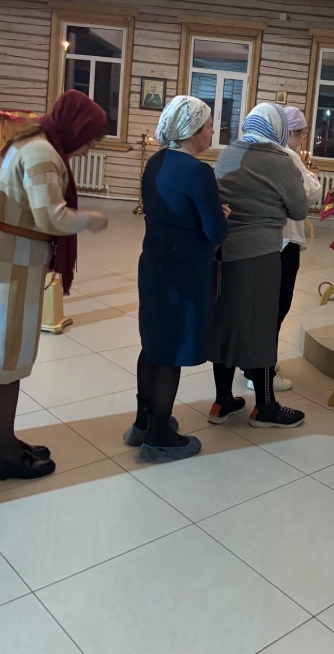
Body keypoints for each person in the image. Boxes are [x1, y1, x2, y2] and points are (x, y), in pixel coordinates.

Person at [0, 90, 109, 481]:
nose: (86, 148)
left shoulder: (29, 139)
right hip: (11, 265)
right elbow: (50, 217)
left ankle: (4, 440)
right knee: (3, 362)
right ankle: (4, 454)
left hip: (8, 258)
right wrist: (89, 219)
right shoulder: (42, 152)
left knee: (5, 359)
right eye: (89, 139)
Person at [125, 96, 230, 461]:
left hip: (154, 263)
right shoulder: (198, 172)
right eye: (208, 126)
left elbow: (173, 211)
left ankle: (142, 423)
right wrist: (220, 214)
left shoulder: (155, 162)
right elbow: (215, 232)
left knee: (153, 343)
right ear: (192, 130)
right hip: (184, 270)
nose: (212, 131)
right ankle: (159, 437)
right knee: (170, 351)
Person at [208, 103, 308, 428]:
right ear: (278, 129)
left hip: (223, 251)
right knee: (262, 328)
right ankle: (265, 408)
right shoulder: (280, 160)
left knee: (225, 324)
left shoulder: (227, 153)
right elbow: (299, 209)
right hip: (260, 254)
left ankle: (222, 402)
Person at [245, 105, 322, 393]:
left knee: (261, 308)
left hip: (259, 241)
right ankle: (260, 372)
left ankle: (255, 366)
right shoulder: (286, 156)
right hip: (283, 241)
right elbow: (310, 193)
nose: (301, 140)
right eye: (301, 134)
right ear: (288, 132)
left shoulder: (250, 152)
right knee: (275, 308)